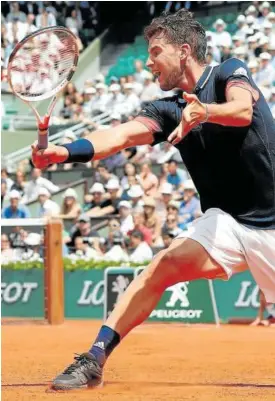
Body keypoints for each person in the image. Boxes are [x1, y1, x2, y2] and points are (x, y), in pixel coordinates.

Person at [31, 8, 275, 390]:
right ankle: (94, 357)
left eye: (155, 52)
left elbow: (243, 110)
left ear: (182, 51)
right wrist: (63, 152)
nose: (148, 63)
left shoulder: (229, 72)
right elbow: (121, 136)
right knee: (160, 267)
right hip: (228, 223)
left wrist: (205, 112)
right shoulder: (167, 109)